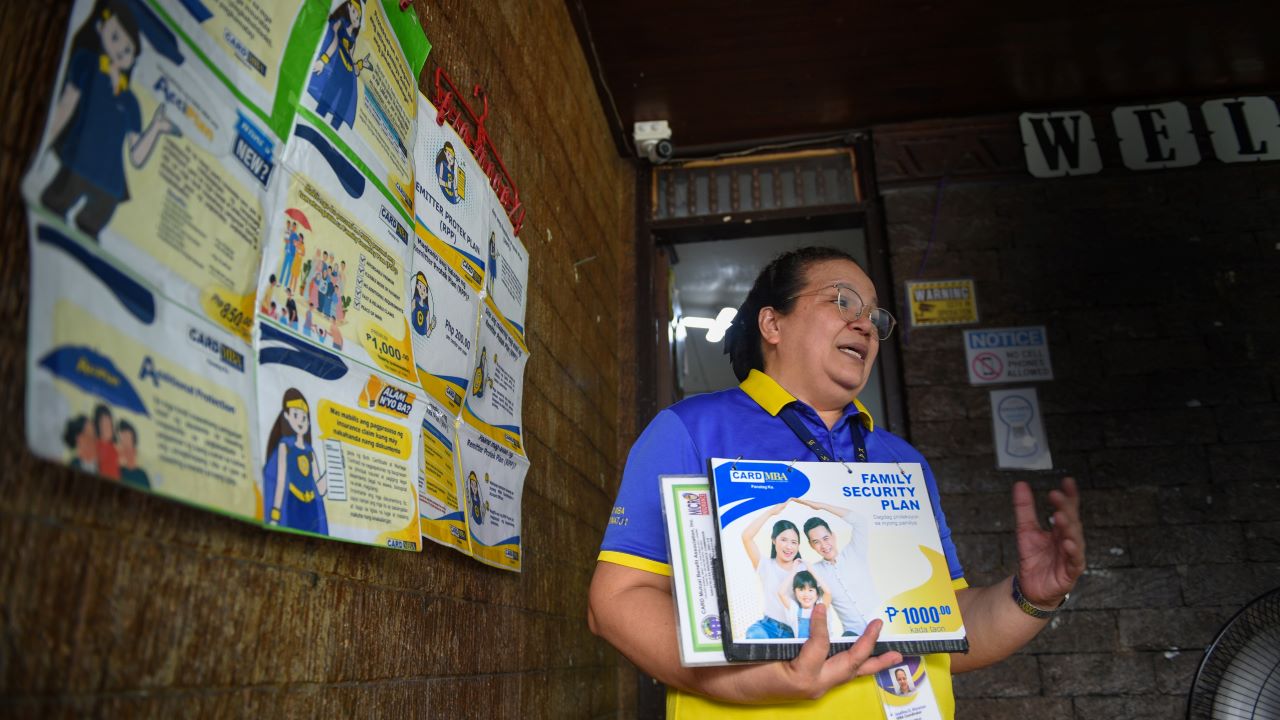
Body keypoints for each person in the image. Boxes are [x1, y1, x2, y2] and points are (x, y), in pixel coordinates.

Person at [588, 246, 1085, 717]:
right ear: (772, 322)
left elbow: (946, 628)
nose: (864, 324)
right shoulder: (693, 429)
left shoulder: (899, 459)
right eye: (842, 300)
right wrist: (749, 683)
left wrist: (1032, 596)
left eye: (874, 315)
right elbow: (616, 601)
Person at [41, 0, 178, 238]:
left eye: (127, 50)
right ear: (100, 29)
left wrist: (156, 128)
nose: (120, 51)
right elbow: (66, 106)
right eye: (115, 38)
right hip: (77, 165)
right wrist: (46, 141)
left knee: (87, 233)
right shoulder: (87, 63)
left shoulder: (131, 101)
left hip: (110, 188)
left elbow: (136, 156)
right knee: (51, 208)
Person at [798, 497, 875, 638]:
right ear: (811, 545)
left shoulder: (854, 552)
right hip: (853, 637)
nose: (824, 545)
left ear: (833, 536)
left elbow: (860, 521)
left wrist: (821, 505)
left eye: (826, 538)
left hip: (884, 627)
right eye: (816, 542)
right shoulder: (815, 571)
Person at [262, 389, 328, 534]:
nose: (301, 421)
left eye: (304, 417)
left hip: (312, 509)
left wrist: (333, 473)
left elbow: (321, 489)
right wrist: (275, 515)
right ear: (286, 416)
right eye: (296, 415)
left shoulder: (310, 451)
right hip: (293, 504)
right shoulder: (285, 446)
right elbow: (280, 482)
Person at [739, 503, 806, 639]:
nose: (789, 546)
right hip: (766, 627)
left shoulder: (804, 568)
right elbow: (746, 536)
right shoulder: (765, 565)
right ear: (774, 541)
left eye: (794, 542)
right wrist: (770, 512)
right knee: (755, 638)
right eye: (784, 540)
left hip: (793, 632)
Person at [308, 0, 367, 131]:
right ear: (349, 7)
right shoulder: (340, 23)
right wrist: (323, 60)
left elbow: (352, 61)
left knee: (343, 107)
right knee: (327, 97)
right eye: (354, 12)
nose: (356, 18)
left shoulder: (353, 38)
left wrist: (360, 66)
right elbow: (334, 42)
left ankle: (332, 133)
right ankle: (314, 124)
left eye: (358, 17)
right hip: (337, 70)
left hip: (348, 79)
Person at [784, 571, 839, 640]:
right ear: (795, 592)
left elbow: (828, 592)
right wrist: (794, 570)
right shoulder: (795, 610)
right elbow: (781, 592)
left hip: (823, 647)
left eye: (810, 590)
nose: (806, 595)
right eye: (801, 590)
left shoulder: (822, 607)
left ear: (817, 593)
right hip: (801, 648)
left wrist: (811, 569)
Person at [116, 420, 150, 490]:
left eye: (128, 440)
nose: (126, 447)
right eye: (122, 442)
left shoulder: (142, 476)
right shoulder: (117, 472)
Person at [94, 404, 119, 480]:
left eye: (109, 424)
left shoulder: (115, 450)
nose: (108, 428)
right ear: (98, 426)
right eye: (104, 424)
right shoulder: (95, 447)